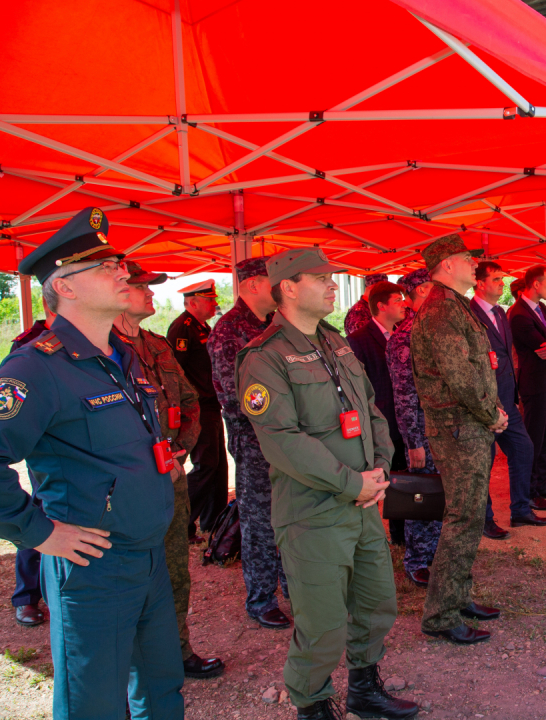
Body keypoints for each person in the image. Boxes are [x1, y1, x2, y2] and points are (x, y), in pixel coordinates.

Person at [0, 207, 184, 719]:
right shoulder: (35, 366)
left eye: (118, 264)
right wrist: (38, 531)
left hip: (149, 553)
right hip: (93, 565)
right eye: (104, 267)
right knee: (94, 703)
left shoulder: (121, 354)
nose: (122, 273)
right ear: (64, 288)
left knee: (161, 689)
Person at [236, 249, 416, 720]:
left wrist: (378, 467)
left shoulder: (334, 343)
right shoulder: (265, 357)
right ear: (288, 288)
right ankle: (313, 705)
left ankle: (363, 688)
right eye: (322, 278)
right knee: (323, 623)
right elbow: (282, 440)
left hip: (362, 501)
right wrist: (350, 482)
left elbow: (371, 408)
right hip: (314, 510)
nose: (334, 285)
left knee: (377, 603)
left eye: (333, 277)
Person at [113, 261, 225, 680]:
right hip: (125, 489)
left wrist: (180, 451)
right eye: (141, 286)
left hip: (170, 477)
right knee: (126, 578)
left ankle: (175, 650)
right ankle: (125, 667)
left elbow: (191, 401)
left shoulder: (157, 345)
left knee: (174, 570)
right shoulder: (97, 350)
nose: (151, 294)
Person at [410, 235, 505, 645]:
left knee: (468, 517)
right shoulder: (441, 311)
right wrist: (491, 414)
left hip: (468, 426)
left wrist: (490, 412)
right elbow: (461, 378)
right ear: (446, 265)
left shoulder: (452, 306)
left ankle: (457, 596)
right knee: (463, 518)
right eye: (468, 259)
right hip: (459, 428)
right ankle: (441, 613)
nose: (474, 265)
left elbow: (476, 370)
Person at [207, 257, 292, 630]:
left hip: (288, 437)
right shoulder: (229, 331)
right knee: (259, 521)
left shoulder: (277, 325)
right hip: (255, 440)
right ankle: (261, 598)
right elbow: (234, 395)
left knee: (291, 513)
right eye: (274, 281)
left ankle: (293, 587)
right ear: (254, 284)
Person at [470, 261, 546, 532]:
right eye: (495, 279)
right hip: (482, 404)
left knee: (524, 448)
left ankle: (520, 510)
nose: (501, 284)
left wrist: (511, 396)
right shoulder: (468, 314)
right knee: (485, 462)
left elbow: (505, 357)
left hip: (506, 398)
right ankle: (485, 519)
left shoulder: (501, 313)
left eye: (502, 279)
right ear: (479, 283)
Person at [387, 269, 442, 588]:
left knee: (441, 492)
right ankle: (417, 560)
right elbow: (403, 392)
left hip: (445, 426)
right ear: (422, 291)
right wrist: (413, 441)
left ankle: (433, 551)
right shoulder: (405, 336)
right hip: (422, 428)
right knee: (421, 494)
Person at [348, 280, 410, 546]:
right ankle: (383, 536)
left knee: (402, 478)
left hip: (402, 420)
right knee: (384, 477)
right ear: (381, 306)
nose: (404, 304)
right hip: (380, 421)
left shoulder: (400, 335)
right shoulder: (358, 340)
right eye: (398, 300)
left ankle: (401, 534)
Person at [7, 298, 56, 628]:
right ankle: (26, 596)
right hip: (47, 450)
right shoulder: (31, 344)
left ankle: (59, 595)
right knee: (40, 515)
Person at [167, 278, 228, 542]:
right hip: (198, 406)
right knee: (206, 464)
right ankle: (181, 522)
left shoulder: (204, 326)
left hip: (212, 403)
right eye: (210, 300)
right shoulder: (182, 328)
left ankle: (213, 520)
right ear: (193, 302)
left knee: (219, 465)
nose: (215, 303)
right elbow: (176, 371)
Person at [509, 266, 546, 503]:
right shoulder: (519, 314)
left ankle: (541, 483)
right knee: (534, 437)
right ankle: (531, 490)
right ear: (535, 284)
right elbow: (542, 345)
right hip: (534, 383)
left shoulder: (540, 307)